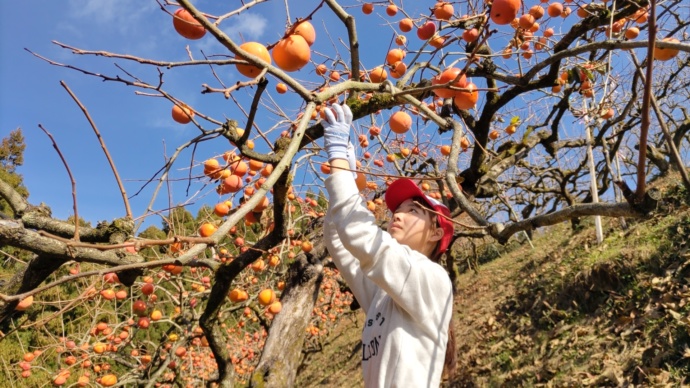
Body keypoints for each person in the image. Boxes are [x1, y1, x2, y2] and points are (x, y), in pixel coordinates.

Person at [321, 103, 457, 387]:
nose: (398, 214)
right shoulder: (385, 295)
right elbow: (340, 241)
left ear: (435, 233)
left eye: (413, 211)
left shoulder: (432, 279)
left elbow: (363, 237)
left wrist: (338, 159)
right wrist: (349, 178)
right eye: (399, 209)